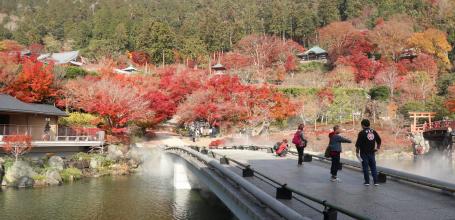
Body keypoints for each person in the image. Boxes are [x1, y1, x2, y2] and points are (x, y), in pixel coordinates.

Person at [355, 119, 381, 186]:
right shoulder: (373, 131)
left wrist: (357, 152)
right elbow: (379, 140)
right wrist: (377, 148)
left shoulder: (361, 133)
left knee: (365, 167)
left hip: (364, 153)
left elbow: (358, 144)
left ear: (362, 125)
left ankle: (367, 182)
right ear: (369, 124)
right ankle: (376, 182)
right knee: (373, 167)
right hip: (372, 152)